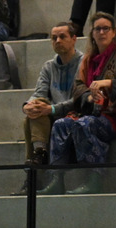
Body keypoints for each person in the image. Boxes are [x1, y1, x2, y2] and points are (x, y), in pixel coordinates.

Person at [38, 12, 116, 195]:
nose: (101, 32)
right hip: (93, 112)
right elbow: (78, 87)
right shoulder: (88, 59)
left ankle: (94, 179)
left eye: (106, 28)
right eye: (97, 29)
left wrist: (109, 84)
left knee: (84, 124)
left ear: (113, 32)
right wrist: (88, 97)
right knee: (61, 124)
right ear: (92, 33)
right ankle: (57, 179)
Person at [13, 21, 82, 195]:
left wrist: (52, 109)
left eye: (62, 37)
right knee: (33, 112)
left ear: (74, 39)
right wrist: (28, 106)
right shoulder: (49, 66)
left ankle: (33, 177)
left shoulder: (84, 62)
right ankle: (40, 153)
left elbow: (81, 100)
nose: (57, 41)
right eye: (54, 38)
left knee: (34, 117)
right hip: (54, 114)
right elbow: (39, 93)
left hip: (77, 113)